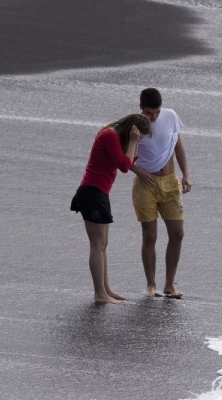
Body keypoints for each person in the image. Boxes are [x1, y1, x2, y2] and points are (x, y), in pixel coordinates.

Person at [71, 114, 153, 304]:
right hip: (92, 192)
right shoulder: (109, 135)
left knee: (103, 244)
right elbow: (125, 166)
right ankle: (99, 293)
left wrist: (135, 143)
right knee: (97, 245)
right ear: (132, 130)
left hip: (100, 193)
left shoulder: (116, 136)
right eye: (139, 137)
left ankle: (106, 289)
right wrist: (133, 141)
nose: (138, 141)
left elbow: (130, 161)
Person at [130, 88, 192, 298]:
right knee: (150, 236)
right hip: (145, 185)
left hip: (170, 184)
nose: (154, 117)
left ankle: (169, 284)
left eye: (156, 112)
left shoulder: (171, 116)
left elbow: (178, 146)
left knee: (178, 233)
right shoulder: (134, 125)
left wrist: (186, 175)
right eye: (149, 113)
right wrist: (139, 171)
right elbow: (124, 157)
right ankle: (151, 285)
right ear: (141, 108)